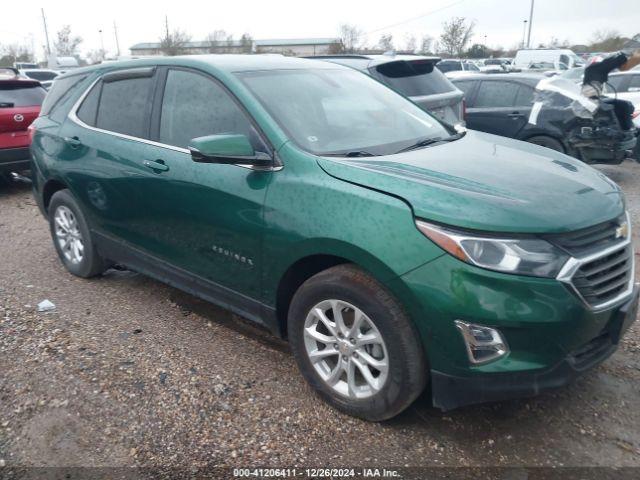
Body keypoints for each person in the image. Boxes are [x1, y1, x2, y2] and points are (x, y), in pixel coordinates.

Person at [582, 49, 640, 130]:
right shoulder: (595, 69)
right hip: (593, 101)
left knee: (623, 106)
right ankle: (627, 129)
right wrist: (623, 55)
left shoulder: (593, 71)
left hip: (595, 99)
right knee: (625, 105)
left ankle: (623, 128)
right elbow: (610, 63)